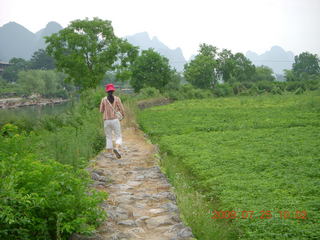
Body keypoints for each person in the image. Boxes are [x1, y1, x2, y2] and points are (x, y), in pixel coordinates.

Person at [99, 84, 125, 159]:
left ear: (107, 91)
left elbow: (101, 110)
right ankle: (116, 148)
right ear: (113, 91)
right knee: (118, 136)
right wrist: (123, 115)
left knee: (108, 137)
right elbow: (122, 109)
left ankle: (109, 154)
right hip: (115, 120)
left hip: (106, 121)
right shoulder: (117, 99)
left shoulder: (103, 99)